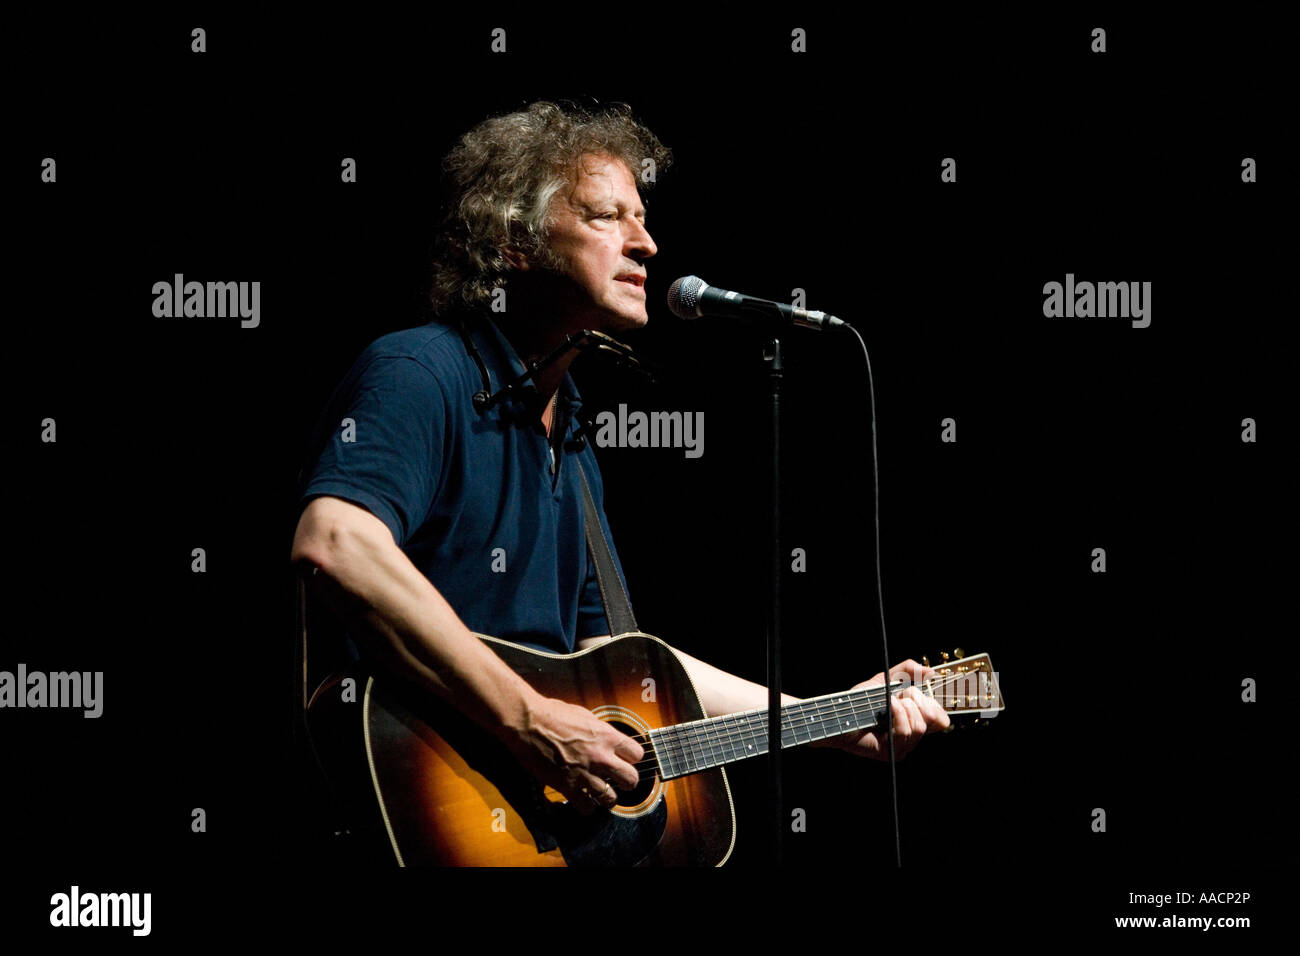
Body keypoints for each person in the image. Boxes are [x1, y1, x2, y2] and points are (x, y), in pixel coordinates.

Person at [290, 100, 948, 826]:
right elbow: (336, 544)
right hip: (410, 803)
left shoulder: (568, 433)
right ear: (516, 241)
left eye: (642, 217)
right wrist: (531, 719)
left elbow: (619, 659)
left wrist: (833, 716)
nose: (648, 245)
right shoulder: (422, 369)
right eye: (608, 217)